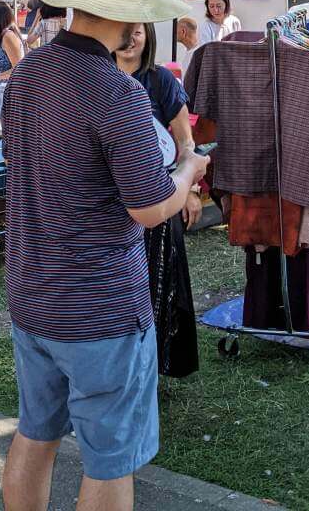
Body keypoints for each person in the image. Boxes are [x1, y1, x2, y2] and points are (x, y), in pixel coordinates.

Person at [0, 0, 208, 511]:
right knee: (111, 458)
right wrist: (188, 170)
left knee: (35, 432)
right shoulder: (117, 92)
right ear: (123, 13)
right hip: (100, 305)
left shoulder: (28, 73)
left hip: (31, 289)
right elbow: (151, 207)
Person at [114, 22, 203, 378]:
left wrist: (191, 190)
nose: (131, 39)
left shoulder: (162, 81)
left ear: (148, 35)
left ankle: (153, 364)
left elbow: (186, 142)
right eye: (124, 31)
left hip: (158, 197)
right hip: (111, 203)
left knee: (157, 282)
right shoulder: (99, 78)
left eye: (138, 31)